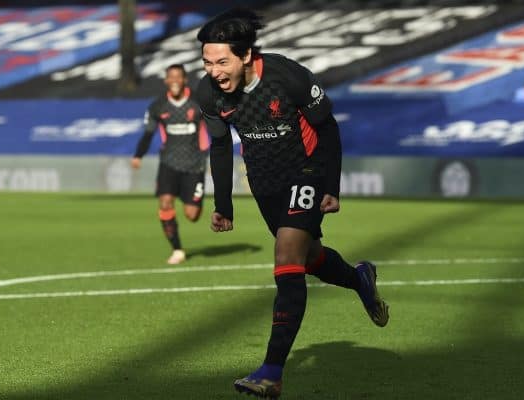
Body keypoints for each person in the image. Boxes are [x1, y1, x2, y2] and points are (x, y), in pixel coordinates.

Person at [196, 8, 389, 399]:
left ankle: (271, 371)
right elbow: (219, 145)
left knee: (286, 258)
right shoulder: (209, 94)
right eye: (206, 61)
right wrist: (223, 205)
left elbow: (327, 127)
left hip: (307, 172)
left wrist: (330, 185)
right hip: (265, 183)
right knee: (310, 257)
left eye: (221, 61)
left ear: (246, 55)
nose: (213, 70)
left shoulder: (287, 75)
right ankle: (359, 278)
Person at [131, 64, 209, 265]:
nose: (174, 81)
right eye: (171, 77)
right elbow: (148, 133)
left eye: (178, 77)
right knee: (165, 202)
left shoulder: (198, 102)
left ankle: (191, 199)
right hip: (169, 162)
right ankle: (177, 250)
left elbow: (215, 126)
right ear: (166, 81)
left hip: (195, 164)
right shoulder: (158, 106)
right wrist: (138, 155)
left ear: (184, 80)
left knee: (192, 215)